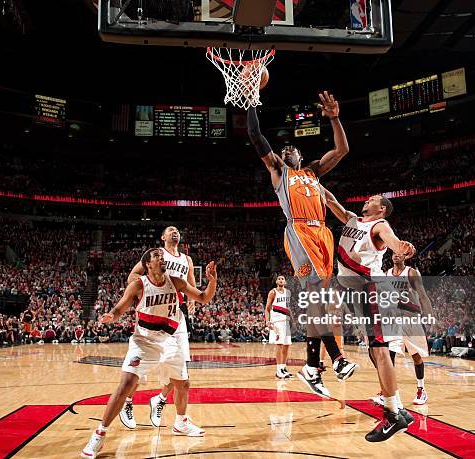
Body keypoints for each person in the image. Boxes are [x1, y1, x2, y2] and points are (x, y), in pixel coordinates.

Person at [247, 91, 356, 399]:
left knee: (316, 301)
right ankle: (335, 358)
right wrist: (252, 99)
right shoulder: (280, 172)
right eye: (285, 148)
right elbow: (256, 136)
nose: (288, 149)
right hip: (299, 231)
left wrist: (334, 117)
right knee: (316, 297)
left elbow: (342, 149)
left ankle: (312, 366)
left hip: (323, 234)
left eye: (292, 147)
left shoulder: (313, 172)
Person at [80, 248, 217, 459]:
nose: (162, 259)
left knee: (183, 383)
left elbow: (204, 298)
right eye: (157, 257)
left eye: (163, 257)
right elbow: (120, 308)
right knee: (126, 384)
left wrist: (212, 281)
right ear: (148, 265)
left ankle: (180, 422)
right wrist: (111, 316)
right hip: (144, 342)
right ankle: (100, 434)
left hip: (170, 340)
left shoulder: (177, 282)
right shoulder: (138, 285)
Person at [323, 189, 417, 442]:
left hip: (370, 289)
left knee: (380, 351)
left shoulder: (380, 225)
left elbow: (393, 240)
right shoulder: (353, 219)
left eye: (373, 199)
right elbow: (332, 201)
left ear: (382, 208)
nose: (367, 199)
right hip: (356, 292)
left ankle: (393, 415)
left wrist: (401, 247)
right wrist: (313, 180)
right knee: (375, 351)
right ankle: (398, 408)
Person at [122, 226, 197, 429]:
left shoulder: (187, 260)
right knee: (139, 369)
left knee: (179, 367)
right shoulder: (156, 255)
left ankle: (160, 400)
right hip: (153, 312)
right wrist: (143, 291)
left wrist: (192, 300)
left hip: (175, 317)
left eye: (178, 230)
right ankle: (127, 403)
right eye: (170, 230)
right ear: (162, 237)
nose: (175, 232)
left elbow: (192, 286)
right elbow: (132, 276)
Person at [367, 252, 433, 406]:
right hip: (393, 319)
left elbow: (422, 295)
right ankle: (387, 392)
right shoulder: (386, 274)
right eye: (394, 254)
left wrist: (429, 314)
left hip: (411, 318)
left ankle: (421, 389)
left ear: (405, 257)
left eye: (400, 254)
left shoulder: (411, 273)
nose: (396, 256)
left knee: (416, 355)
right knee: (388, 355)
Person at [265, 275, 293, 379]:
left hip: (286, 321)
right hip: (276, 322)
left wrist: (293, 321)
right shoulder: (273, 292)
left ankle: (283, 368)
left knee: (286, 345)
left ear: (285, 282)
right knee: (279, 345)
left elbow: (288, 308)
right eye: (279, 279)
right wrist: (267, 321)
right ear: (276, 281)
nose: (281, 280)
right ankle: (278, 370)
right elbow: (267, 308)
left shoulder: (288, 292)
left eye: (283, 279)